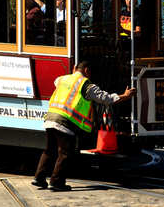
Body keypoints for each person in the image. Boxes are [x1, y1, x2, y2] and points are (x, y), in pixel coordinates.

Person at [32, 61, 135, 192]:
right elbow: (105, 98)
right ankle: (56, 182)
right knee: (65, 153)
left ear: (74, 69)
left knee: (49, 150)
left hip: (50, 118)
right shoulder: (86, 85)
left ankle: (39, 178)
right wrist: (125, 96)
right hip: (65, 122)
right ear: (87, 71)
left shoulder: (61, 79)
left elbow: (56, 82)